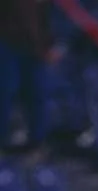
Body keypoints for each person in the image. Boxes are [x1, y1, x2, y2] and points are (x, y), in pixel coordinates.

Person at [0, 0, 57, 157]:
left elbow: (46, 14)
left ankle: (37, 143)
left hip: (34, 45)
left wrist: (49, 43)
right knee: (5, 92)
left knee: (37, 93)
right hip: (6, 42)